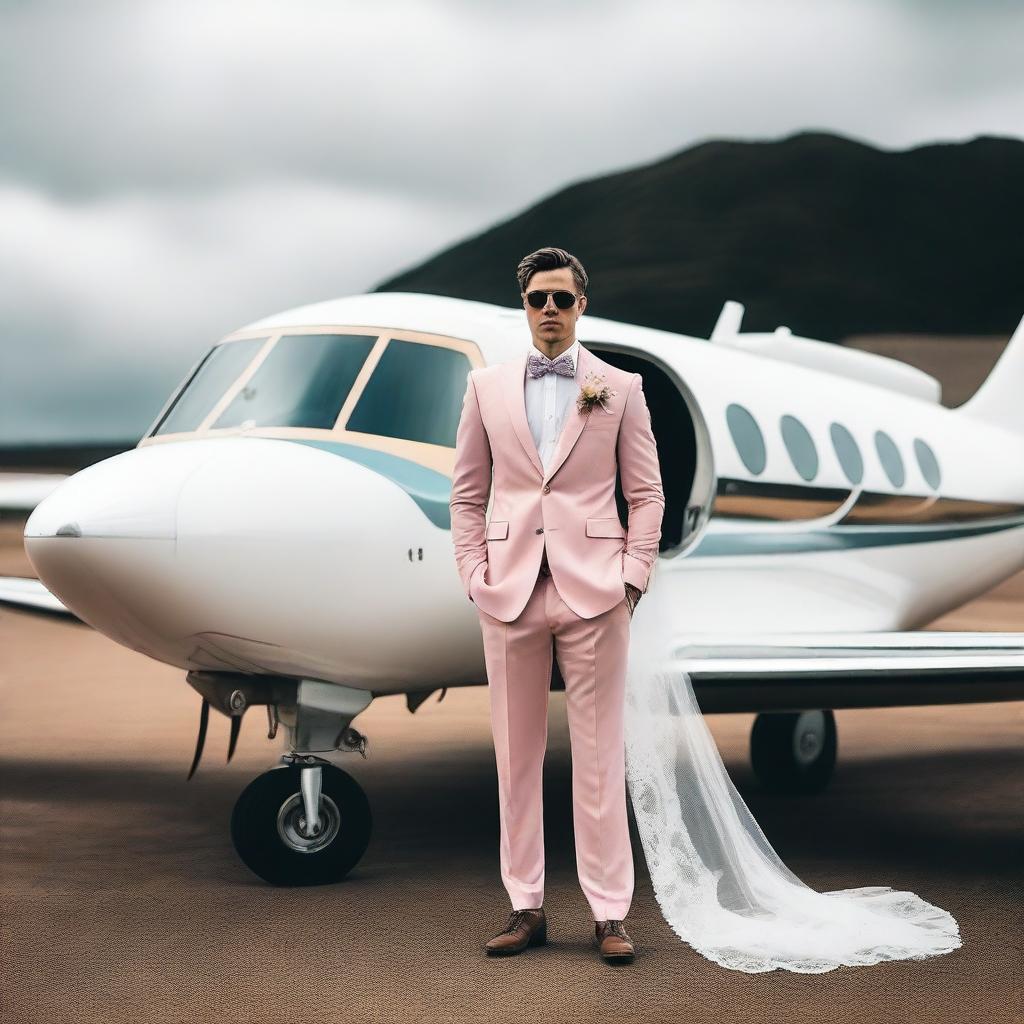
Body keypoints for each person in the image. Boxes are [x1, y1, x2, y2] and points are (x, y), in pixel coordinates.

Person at [449, 246, 664, 964]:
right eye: (538, 298)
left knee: (599, 758)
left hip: (596, 591)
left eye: (562, 299)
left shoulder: (620, 387)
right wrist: (474, 573)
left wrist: (632, 577)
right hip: (508, 591)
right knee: (516, 759)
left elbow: (646, 493)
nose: (549, 310)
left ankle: (609, 914)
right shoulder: (485, 388)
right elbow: (467, 493)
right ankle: (525, 907)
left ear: (582, 304)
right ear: (523, 305)